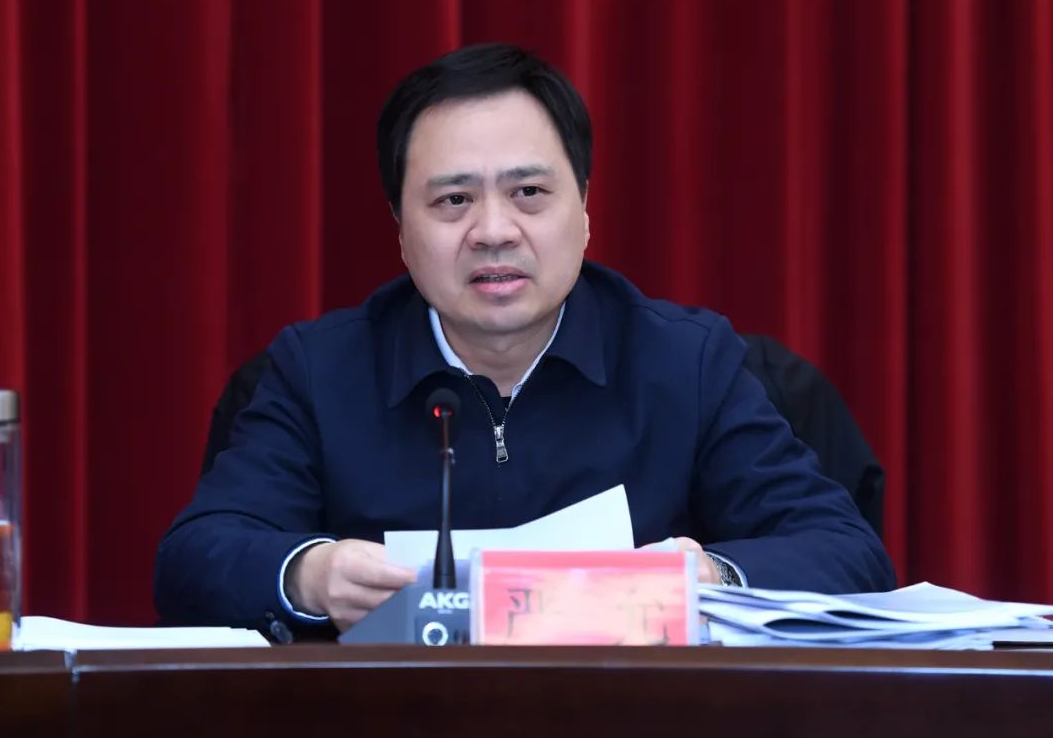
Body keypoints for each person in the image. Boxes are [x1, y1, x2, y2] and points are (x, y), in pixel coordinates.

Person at [154, 43, 895, 634]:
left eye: (529, 193)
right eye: (453, 200)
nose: (494, 231)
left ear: (585, 211)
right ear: (401, 232)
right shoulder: (320, 372)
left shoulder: (685, 364)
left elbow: (847, 553)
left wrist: (710, 577)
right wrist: (310, 575)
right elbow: (194, 558)